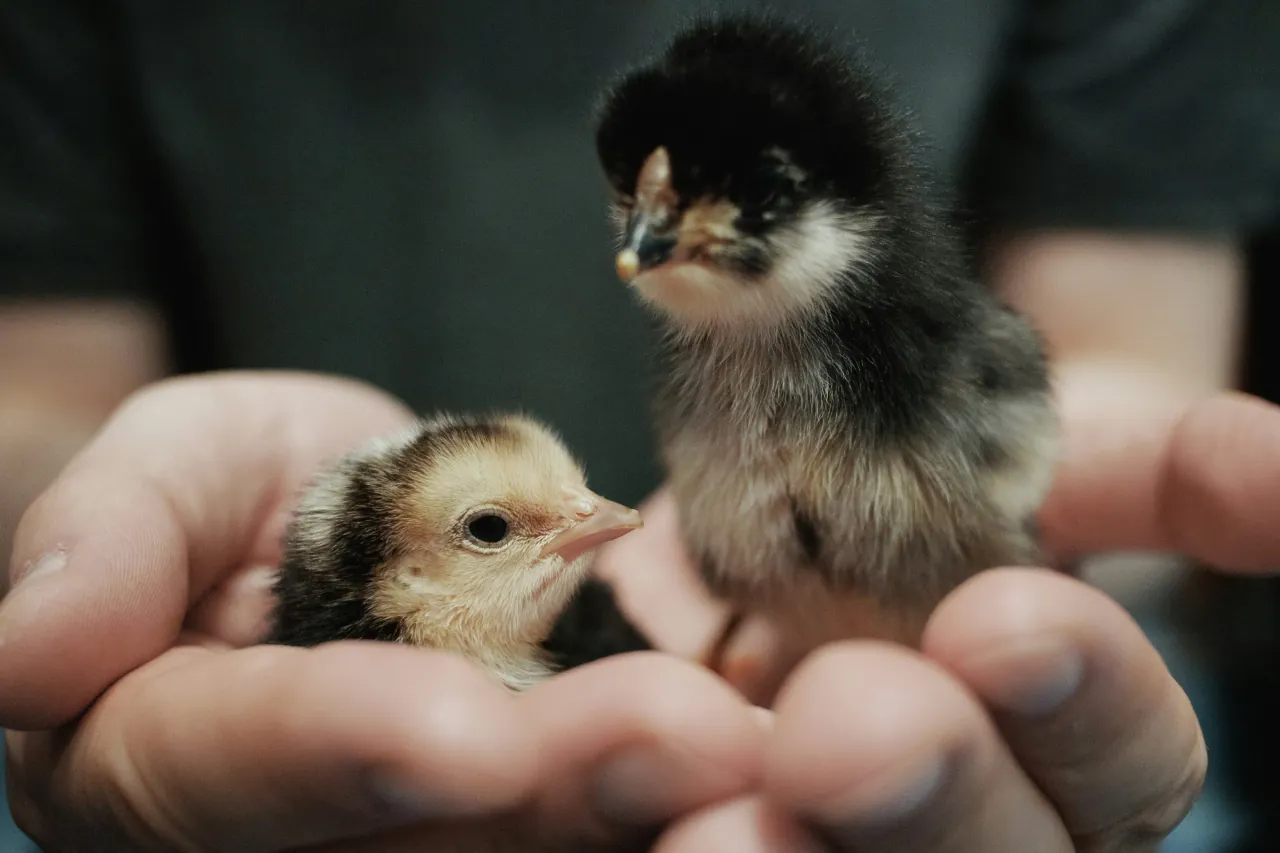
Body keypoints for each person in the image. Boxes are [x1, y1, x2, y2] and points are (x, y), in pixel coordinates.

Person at [1, 0, 1277, 850]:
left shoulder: (951, 365)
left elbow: (1113, 363)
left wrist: (1070, 531)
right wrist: (95, 519)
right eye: (635, 201)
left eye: (724, 201)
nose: (647, 241)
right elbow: (45, 390)